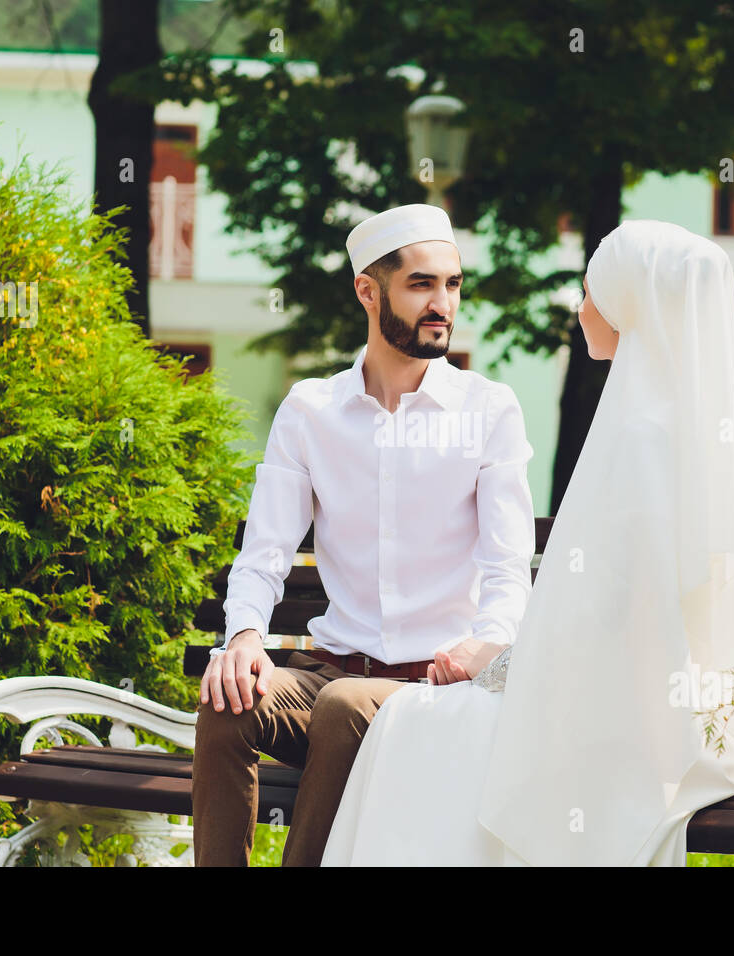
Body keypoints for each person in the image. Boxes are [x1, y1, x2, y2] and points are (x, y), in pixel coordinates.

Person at [321, 219, 734, 866]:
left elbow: (611, 621)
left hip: (604, 705)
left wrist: (494, 666)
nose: (580, 310)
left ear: (630, 303)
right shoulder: (662, 425)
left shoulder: (639, 437)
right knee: (418, 722)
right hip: (617, 689)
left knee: (412, 732)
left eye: (591, 292)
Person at [191, 203, 537, 866]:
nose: (443, 304)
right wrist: (242, 639)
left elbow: (506, 569)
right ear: (367, 292)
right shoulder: (311, 410)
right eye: (422, 285)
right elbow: (264, 552)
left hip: (435, 695)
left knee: (345, 706)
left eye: (453, 285)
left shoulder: (488, 410)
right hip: (330, 678)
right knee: (226, 699)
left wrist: (485, 644)